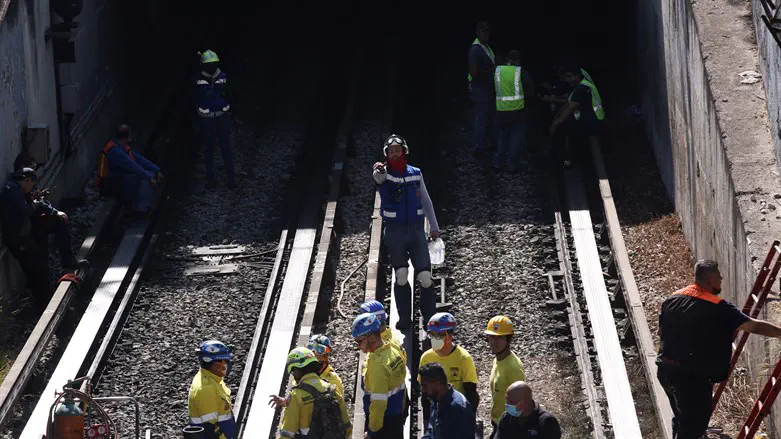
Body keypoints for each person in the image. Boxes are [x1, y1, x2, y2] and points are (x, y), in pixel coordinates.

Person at [657, 259, 781, 439]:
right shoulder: (718, 308)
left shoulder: (673, 299)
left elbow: (661, 331)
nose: (721, 278)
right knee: (692, 429)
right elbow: (754, 326)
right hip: (692, 380)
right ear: (708, 280)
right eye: (718, 276)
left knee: (682, 419)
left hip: (666, 371)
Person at [373, 134, 441, 330]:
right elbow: (378, 177)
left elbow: (426, 201)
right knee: (401, 275)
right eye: (391, 151)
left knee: (425, 277)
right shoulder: (384, 173)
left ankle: (430, 317)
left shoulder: (415, 173)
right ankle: (405, 318)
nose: (395, 154)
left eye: (398, 150)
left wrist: (434, 228)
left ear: (404, 151)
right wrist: (378, 170)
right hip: (395, 231)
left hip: (416, 230)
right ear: (387, 153)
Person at [353, 312, 407, 438]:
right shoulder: (393, 350)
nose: (357, 346)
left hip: (384, 423)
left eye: (359, 341)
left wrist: (373, 430)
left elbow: (379, 404)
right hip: (397, 412)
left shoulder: (378, 367)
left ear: (371, 338)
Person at [278, 347, 352, 438]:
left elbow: (287, 432)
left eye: (293, 372)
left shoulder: (297, 395)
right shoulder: (332, 389)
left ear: (296, 370)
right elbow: (347, 426)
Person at [418, 312, 479, 422]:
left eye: (438, 335)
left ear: (449, 336)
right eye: (431, 335)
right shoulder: (426, 358)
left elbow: (471, 393)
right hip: (435, 414)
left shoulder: (464, 358)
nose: (434, 339)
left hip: (457, 414)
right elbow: (424, 394)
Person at [548, 63, 604, 169]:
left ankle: (566, 161)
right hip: (593, 120)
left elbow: (570, 109)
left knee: (562, 129)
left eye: (570, 77)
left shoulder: (581, 90)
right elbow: (569, 102)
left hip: (590, 123)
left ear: (577, 75)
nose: (568, 80)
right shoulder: (584, 84)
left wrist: (555, 124)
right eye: (566, 77)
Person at [268, 334, 345, 409]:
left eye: (320, 350)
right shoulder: (300, 375)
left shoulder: (334, 379)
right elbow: (296, 399)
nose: (314, 352)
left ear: (326, 356)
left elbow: (339, 406)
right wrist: (285, 401)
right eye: (311, 347)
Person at [98, 125, 163, 214]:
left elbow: (138, 158)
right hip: (110, 183)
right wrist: (149, 177)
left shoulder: (119, 145)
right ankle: (139, 208)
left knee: (147, 174)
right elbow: (132, 166)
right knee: (141, 179)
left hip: (116, 179)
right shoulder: (116, 152)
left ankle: (141, 205)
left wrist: (156, 169)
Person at [196, 49, 237, 190]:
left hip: (221, 116)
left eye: (214, 64)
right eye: (210, 64)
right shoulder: (198, 80)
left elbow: (229, 92)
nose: (212, 67)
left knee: (225, 148)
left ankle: (231, 179)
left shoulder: (222, 77)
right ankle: (211, 180)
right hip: (207, 119)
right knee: (210, 149)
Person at [493, 50, 535, 172]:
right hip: (518, 111)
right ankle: (512, 165)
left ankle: (498, 163)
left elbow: (492, 88)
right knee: (516, 137)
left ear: (507, 59)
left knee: (503, 136)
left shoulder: (498, 71)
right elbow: (530, 91)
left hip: (501, 111)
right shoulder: (521, 72)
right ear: (518, 60)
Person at [485, 315, 526, 437]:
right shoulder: (497, 360)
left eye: (498, 338)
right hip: (498, 423)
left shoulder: (513, 368)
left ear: (508, 340)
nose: (493, 342)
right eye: (491, 337)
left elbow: (521, 404)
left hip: (509, 428)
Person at [188, 340, 237, 439]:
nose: (227, 366)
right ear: (216, 364)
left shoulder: (214, 379)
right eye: (225, 361)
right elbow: (211, 429)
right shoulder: (206, 389)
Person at [420, 362, 475, 439]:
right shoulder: (436, 401)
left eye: (424, 386)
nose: (422, 390)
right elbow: (431, 432)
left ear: (437, 383)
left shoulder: (458, 409)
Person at [494, 381, 561, 439]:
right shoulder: (506, 418)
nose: (507, 404)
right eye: (507, 400)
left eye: (512, 402)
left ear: (525, 402)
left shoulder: (546, 422)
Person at [468, 21, 496, 156]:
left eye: (488, 32)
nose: (486, 34)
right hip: (480, 88)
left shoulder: (485, 47)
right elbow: (474, 72)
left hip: (486, 88)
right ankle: (479, 147)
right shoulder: (475, 50)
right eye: (483, 31)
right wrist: (490, 71)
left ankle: (487, 142)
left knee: (487, 116)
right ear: (477, 32)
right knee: (481, 118)